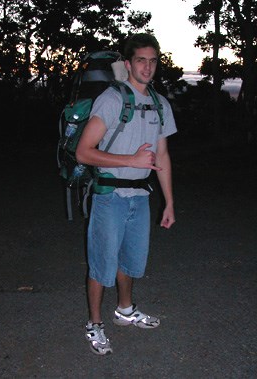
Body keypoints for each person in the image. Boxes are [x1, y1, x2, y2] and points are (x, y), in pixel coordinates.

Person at [76, 33, 177, 355]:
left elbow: (161, 156)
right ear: (128, 63)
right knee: (102, 265)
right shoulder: (112, 99)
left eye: (153, 60)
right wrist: (129, 160)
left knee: (130, 262)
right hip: (109, 196)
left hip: (140, 197)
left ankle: (125, 310)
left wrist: (170, 202)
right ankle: (94, 323)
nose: (147, 67)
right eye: (141, 60)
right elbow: (83, 152)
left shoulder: (160, 104)